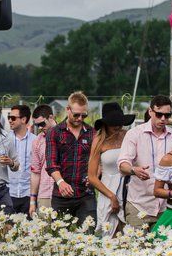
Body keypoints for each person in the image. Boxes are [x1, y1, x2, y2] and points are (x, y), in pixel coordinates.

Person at [118, 95, 172, 232]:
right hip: (139, 205)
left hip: (166, 205)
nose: (163, 119)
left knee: (165, 250)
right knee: (136, 250)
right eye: (159, 114)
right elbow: (122, 163)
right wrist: (134, 170)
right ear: (150, 111)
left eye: (167, 115)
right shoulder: (134, 134)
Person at [47, 91, 96, 227]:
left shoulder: (92, 133)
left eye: (84, 115)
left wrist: (94, 175)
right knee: (60, 239)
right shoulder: (55, 132)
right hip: (61, 195)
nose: (80, 118)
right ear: (67, 109)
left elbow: (97, 161)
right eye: (76, 114)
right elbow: (51, 163)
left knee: (88, 235)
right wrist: (61, 182)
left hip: (86, 194)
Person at [87, 101, 135, 237]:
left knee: (128, 234)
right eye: (114, 123)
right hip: (108, 189)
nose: (118, 126)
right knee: (110, 233)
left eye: (120, 122)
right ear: (105, 124)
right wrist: (111, 196)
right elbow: (92, 176)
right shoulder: (99, 141)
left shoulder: (127, 136)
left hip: (128, 188)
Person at [28, 104, 57, 217]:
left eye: (42, 124)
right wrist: (32, 201)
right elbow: (35, 172)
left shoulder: (65, 135)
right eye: (37, 125)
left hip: (63, 193)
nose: (40, 127)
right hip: (44, 194)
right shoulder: (37, 141)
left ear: (51, 117)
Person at [7, 104, 35, 218]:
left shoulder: (35, 141)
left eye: (13, 118)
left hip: (28, 194)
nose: (10, 120)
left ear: (23, 119)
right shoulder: (4, 140)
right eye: (9, 117)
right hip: (8, 193)